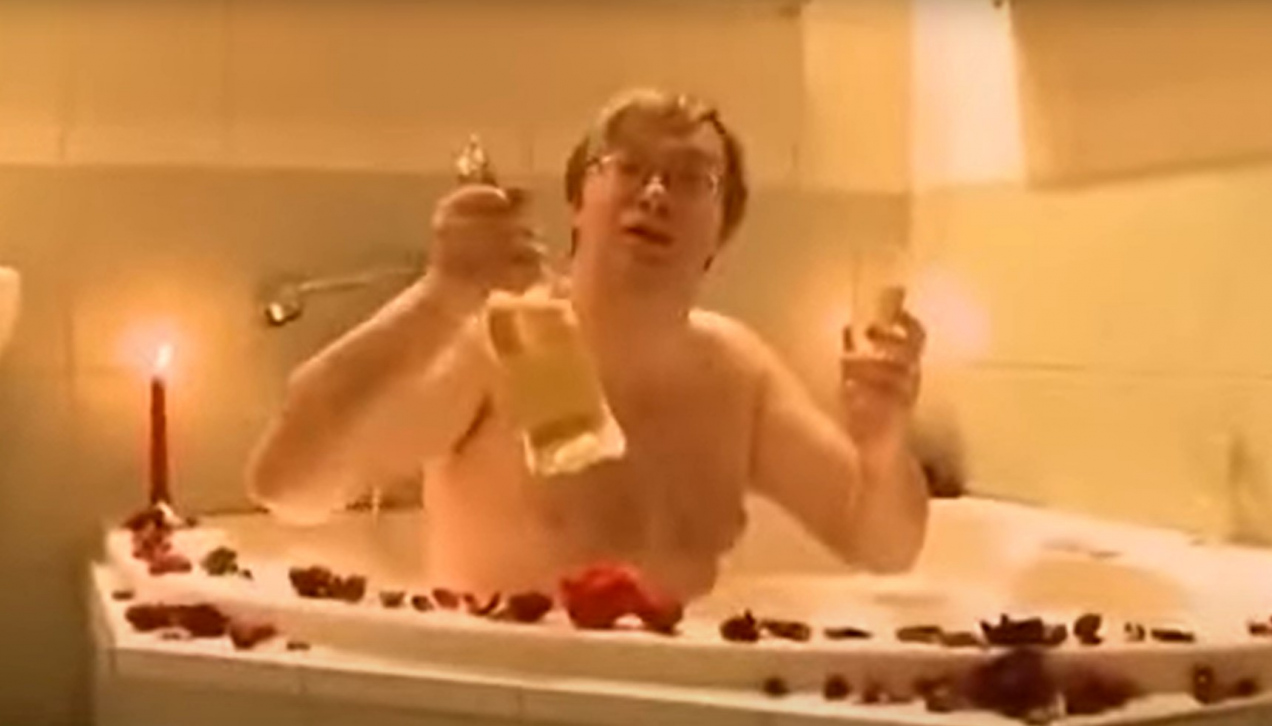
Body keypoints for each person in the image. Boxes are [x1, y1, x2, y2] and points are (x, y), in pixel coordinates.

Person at [247, 88, 929, 600]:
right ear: (578, 201)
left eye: (691, 177)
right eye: (628, 167)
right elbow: (288, 487)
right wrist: (437, 298)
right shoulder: (518, 340)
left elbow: (883, 546)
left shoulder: (734, 368)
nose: (655, 193)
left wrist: (883, 445)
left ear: (722, 229)